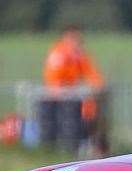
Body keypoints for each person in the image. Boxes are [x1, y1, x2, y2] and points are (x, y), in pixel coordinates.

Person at [40, 26, 106, 154]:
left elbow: (91, 72)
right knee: (66, 125)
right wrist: (62, 90)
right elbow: (53, 78)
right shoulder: (58, 54)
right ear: (66, 39)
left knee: (92, 112)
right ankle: (64, 150)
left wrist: (98, 86)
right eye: (75, 39)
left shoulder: (78, 56)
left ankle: (91, 147)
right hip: (59, 99)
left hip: (74, 96)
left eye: (79, 40)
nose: (78, 43)